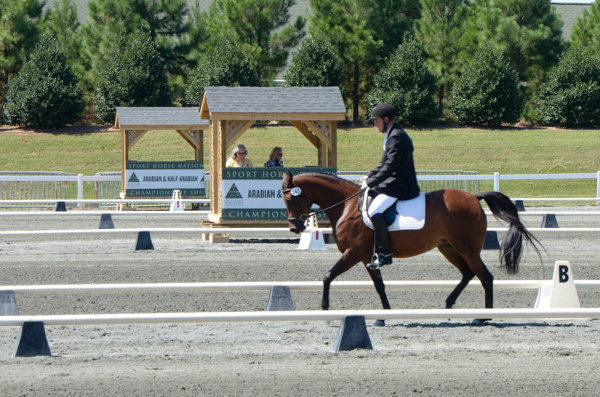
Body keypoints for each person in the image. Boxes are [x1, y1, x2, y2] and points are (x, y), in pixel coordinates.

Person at [360, 103, 420, 269]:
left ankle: (385, 253)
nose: (374, 124)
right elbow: (383, 164)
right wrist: (370, 175)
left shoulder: (397, 136)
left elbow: (390, 167)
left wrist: (370, 183)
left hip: (399, 185)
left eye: (376, 121)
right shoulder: (392, 133)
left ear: (386, 119)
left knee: (374, 211)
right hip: (392, 182)